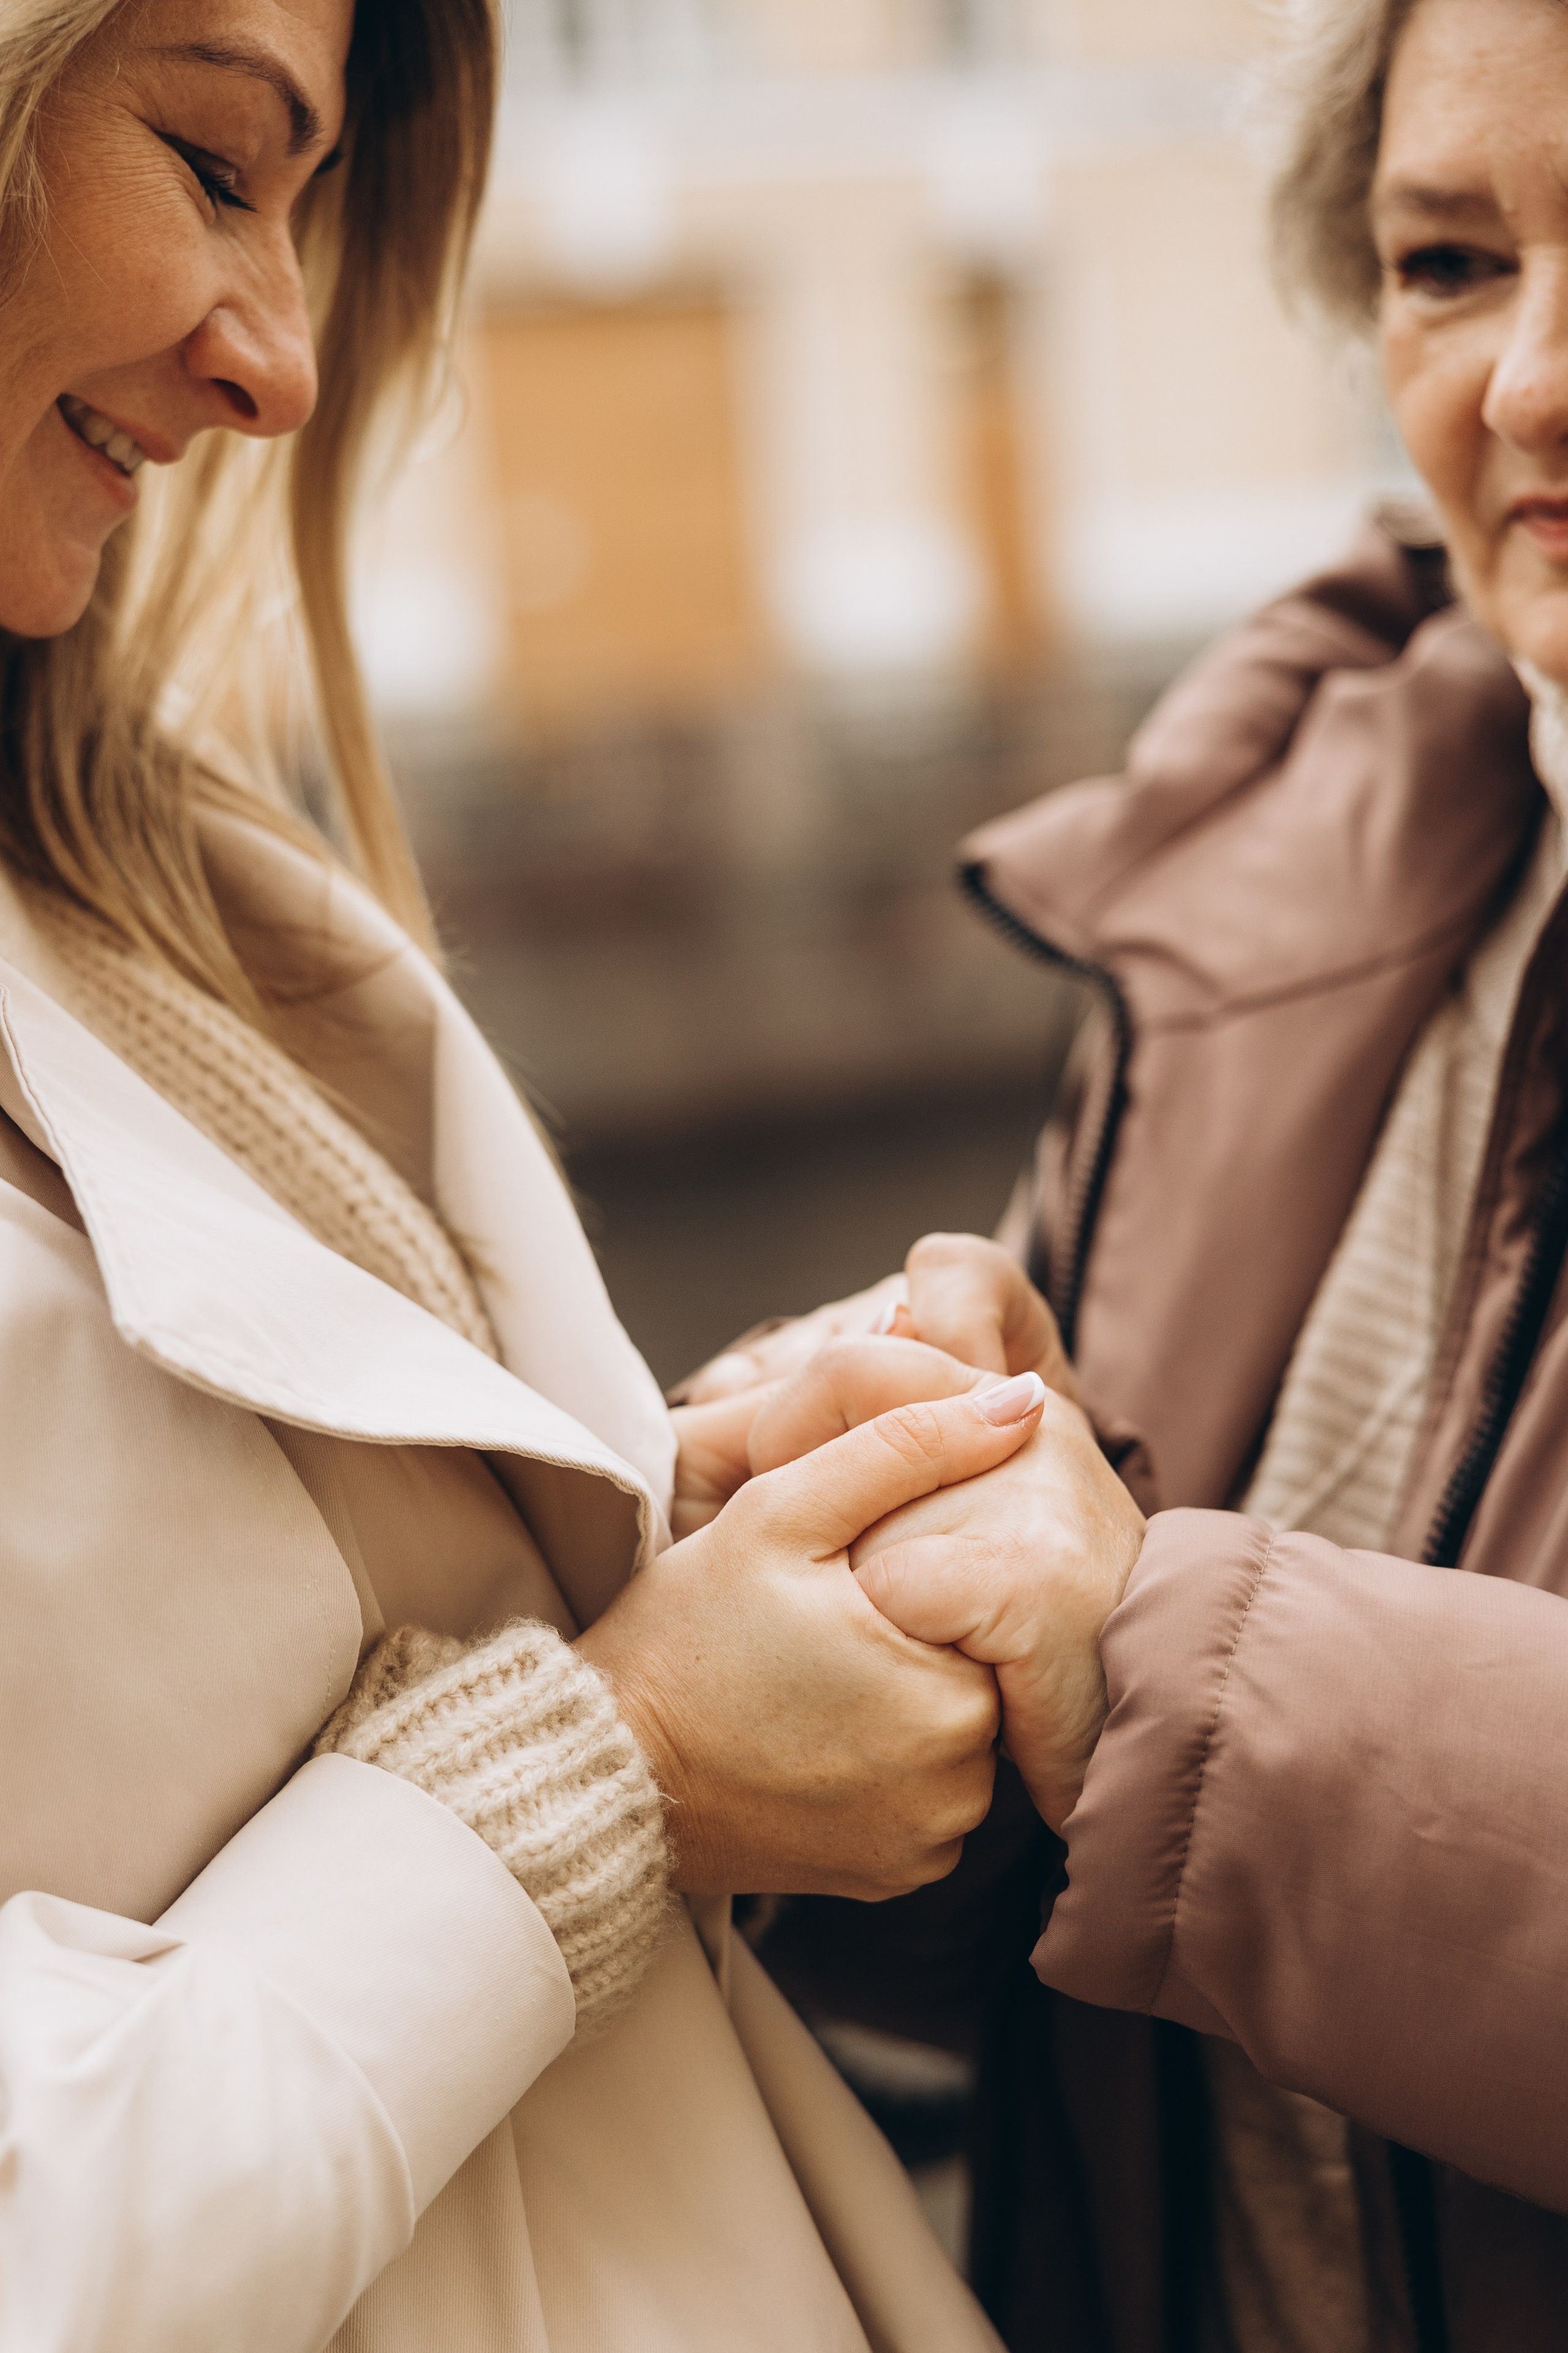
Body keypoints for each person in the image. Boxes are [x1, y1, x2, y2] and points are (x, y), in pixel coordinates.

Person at [0, 4, 1070, 2347]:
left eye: (302, 205)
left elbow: (218, 1688)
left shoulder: (131, 872)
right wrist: (633, 1759)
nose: (276, 359)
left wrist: (702, 1530)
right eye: (205, 157)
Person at [690, 1, 1568, 2346]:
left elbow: (1164, 1686)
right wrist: (855, 1576)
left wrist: (1142, 1648)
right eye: (1449, 259)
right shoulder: (1257, 898)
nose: (1529, 386)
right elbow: (1063, 1926)